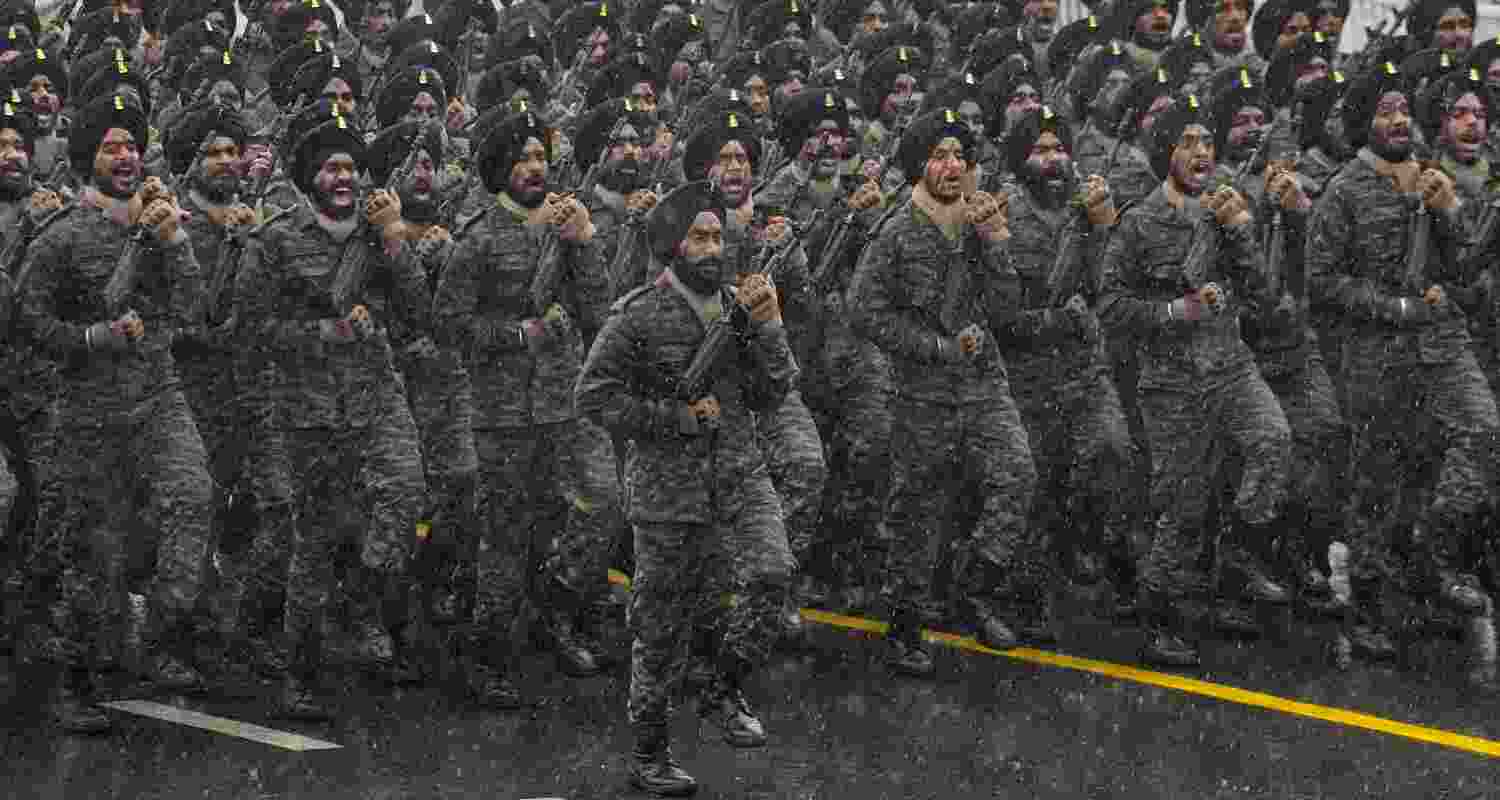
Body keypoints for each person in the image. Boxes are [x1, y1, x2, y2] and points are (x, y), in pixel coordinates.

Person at [576, 178, 798, 797]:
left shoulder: (740, 307)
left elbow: (774, 392)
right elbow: (592, 397)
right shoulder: (638, 314)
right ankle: (649, 752)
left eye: (718, 237)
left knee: (773, 574)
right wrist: (672, 418)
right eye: (699, 238)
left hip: (738, 473)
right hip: (667, 493)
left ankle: (723, 686)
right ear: (674, 246)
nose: (713, 248)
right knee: (660, 630)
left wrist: (770, 325)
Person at [20, 90, 214, 730]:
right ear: (88, 159)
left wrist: (174, 239)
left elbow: (196, 309)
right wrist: (90, 338)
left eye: (133, 145)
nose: (126, 156)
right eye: (111, 147)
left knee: (193, 498)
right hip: (89, 411)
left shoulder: (161, 225)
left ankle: (159, 630)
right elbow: (26, 321)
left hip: (159, 397)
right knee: (92, 552)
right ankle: (75, 680)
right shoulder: (61, 237)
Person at [1097, 94, 1293, 669]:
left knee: (1273, 440)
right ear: (1167, 152)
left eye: (1207, 141)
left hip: (1230, 366)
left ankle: (1236, 555)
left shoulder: (1227, 208)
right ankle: (1159, 612)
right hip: (1171, 381)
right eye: (1187, 142)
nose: (1201, 152)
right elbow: (1111, 305)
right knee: (1183, 504)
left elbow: (1265, 297)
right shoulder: (1139, 222)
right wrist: (1176, 310)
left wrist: (1241, 232)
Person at [848, 107, 1039, 673]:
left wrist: (996, 243)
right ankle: (905, 623)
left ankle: (972, 588)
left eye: (959, 156)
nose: (952, 167)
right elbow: (864, 310)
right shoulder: (897, 232)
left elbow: (1008, 311)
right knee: (917, 508)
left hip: (983, 385)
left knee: (1017, 476)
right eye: (939, 156)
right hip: (923, 392)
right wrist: (932, 347)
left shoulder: (982, 221)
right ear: (919, 165)